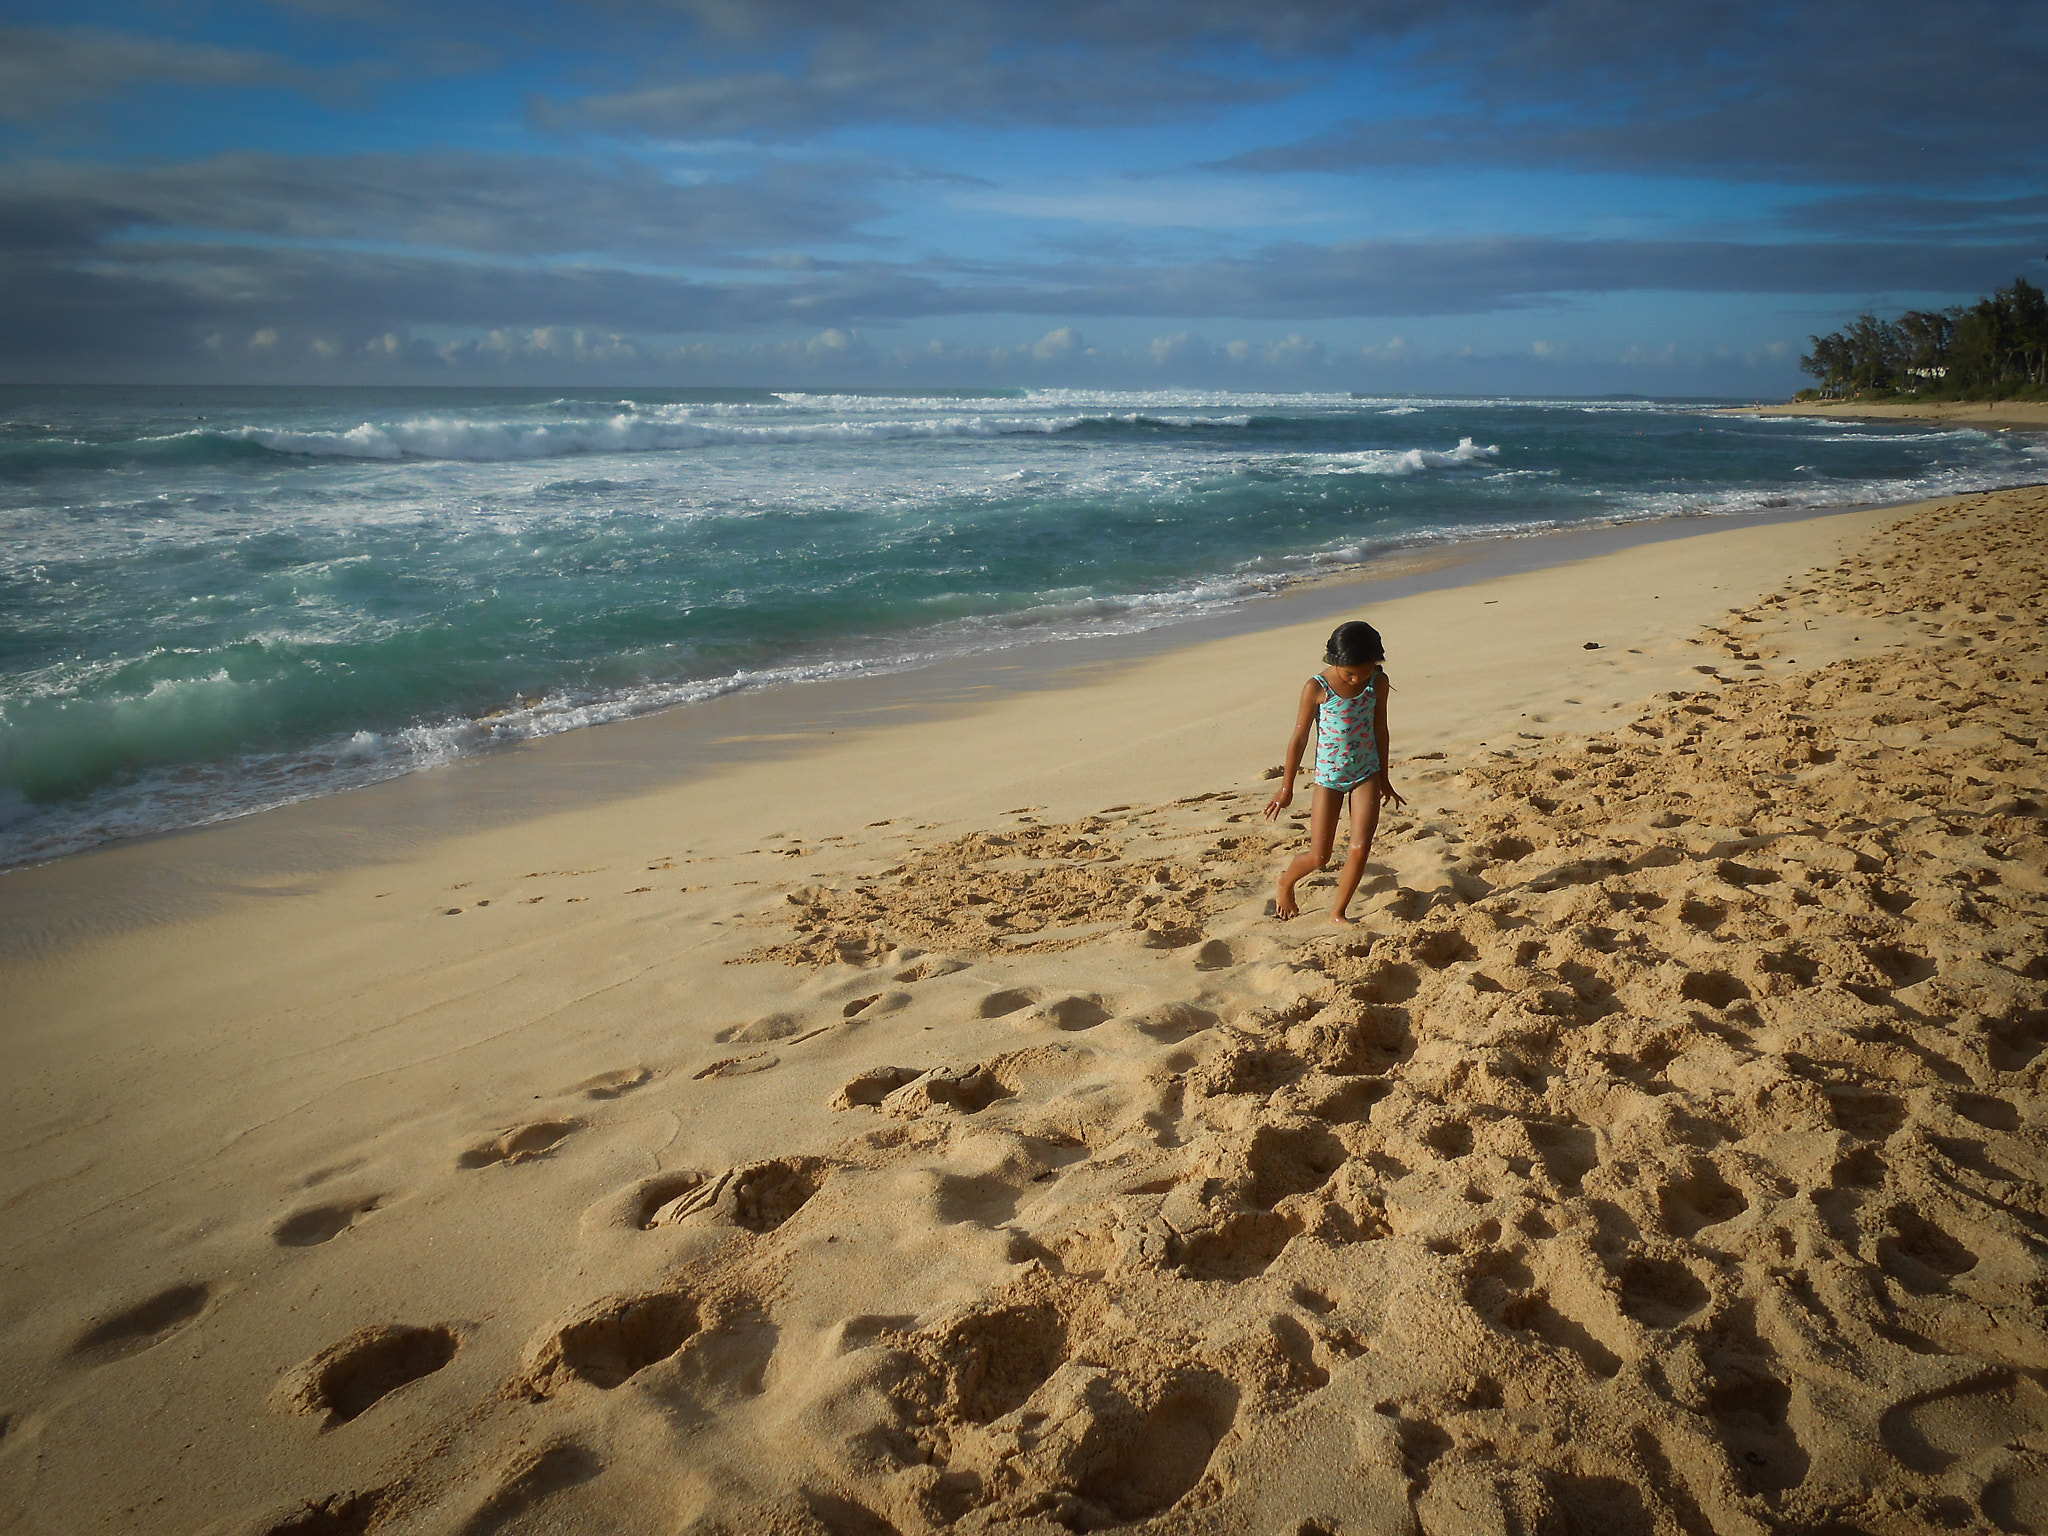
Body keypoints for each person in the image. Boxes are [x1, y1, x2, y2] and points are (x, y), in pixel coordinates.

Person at [1263, 620, 1405, 925]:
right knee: (1319, 856)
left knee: (1359, 847)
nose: (1356, 679)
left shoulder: (1377, 683)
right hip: (1328, 779)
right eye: (1349, 673)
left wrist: (1384, 778)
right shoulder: (1317, 687)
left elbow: (1380, 728)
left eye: (1364, 671)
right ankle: (1286, 882)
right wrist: (1286, 788)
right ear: (1334, 661)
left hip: (1366, 771)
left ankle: (1338, 911)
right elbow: (1299, 739)